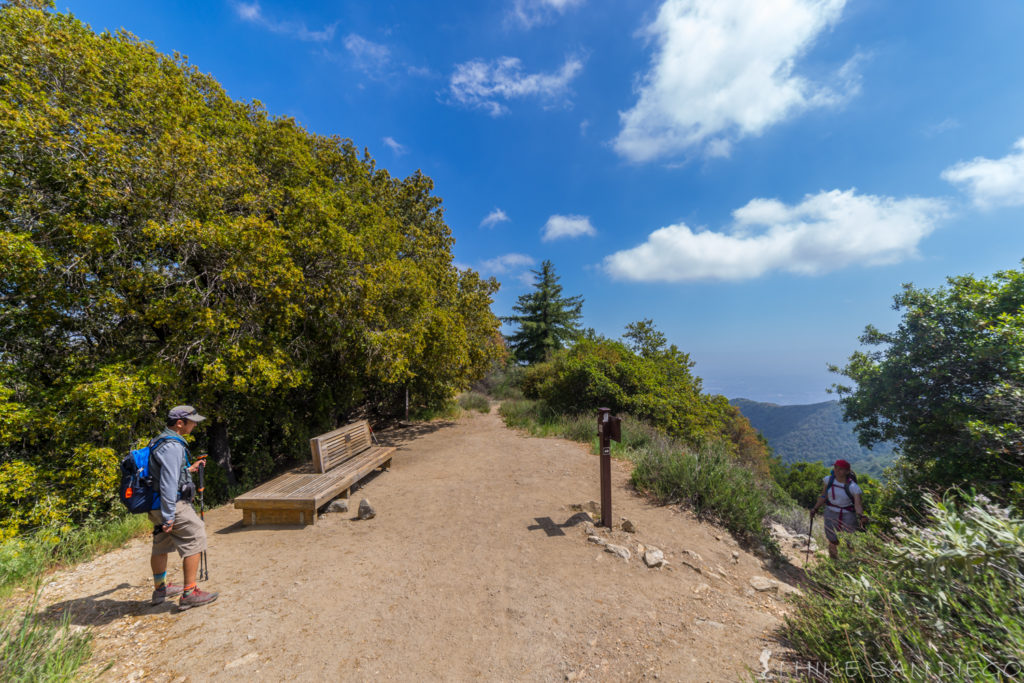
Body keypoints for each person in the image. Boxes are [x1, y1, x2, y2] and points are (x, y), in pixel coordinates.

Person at [148, 405, 219, 610]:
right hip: (171, 503)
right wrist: (169, 515)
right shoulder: (173, 446)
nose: (195, 424)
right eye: (192, 421)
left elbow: (166, 472)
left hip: (155, 503)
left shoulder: (159, 441)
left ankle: (160, 589)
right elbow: (168, 482)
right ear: (180, 423)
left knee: (161, 542)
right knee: (195, 534)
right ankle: (190, 592)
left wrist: (189, 469)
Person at [810, 459, 865, 560]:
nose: (836, 470)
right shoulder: (828, 480)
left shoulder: (854, 487)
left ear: (847, 471)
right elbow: (823, 496)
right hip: (830, 511)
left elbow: (858, 504)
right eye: (835, 467)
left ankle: (852, 562)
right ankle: (834, 561)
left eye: (840, 469)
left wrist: (861, 515)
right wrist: (815, 508)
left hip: (848, 514)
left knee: (851, 541)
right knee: (832, 540)